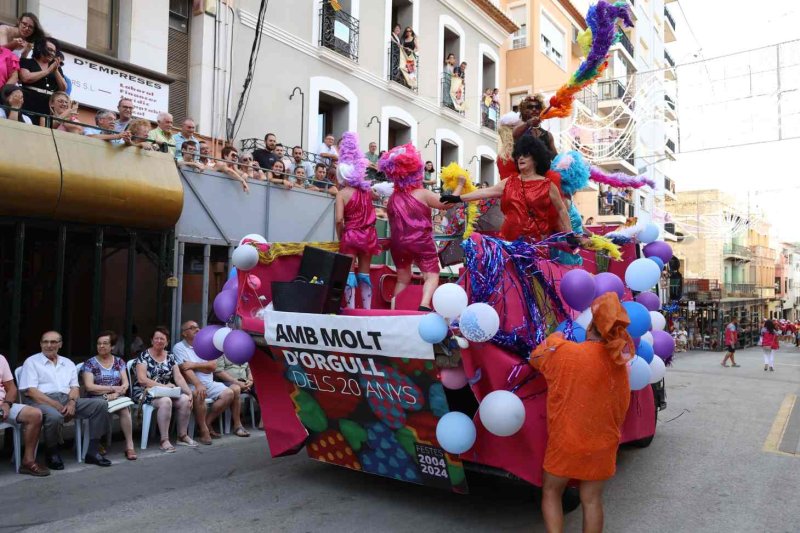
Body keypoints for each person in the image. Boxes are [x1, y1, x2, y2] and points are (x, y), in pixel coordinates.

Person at [530, 292, 634, 533]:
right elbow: (622, 407)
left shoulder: (563, 352)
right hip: (602, 445)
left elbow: (535, 358)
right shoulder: (620, 364)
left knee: (551, 491)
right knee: (592, 500)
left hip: (566, 442)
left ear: (589, 326)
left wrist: (555, 337)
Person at [441, 135, 572, 243]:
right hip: (509, 242)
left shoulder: (548, 185)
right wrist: (457, 198)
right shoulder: (509, 182)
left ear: (536, 158)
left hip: (535, 244)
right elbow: (484, 192)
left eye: (525, 155)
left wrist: (570, 234)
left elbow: (561, 210)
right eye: (519, 155)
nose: (520, 158)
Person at [378, 143, 456, 310]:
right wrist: (461, 185)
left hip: (398, 244)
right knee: (431, 274)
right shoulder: (423, 193)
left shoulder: (392, 199)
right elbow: (447, 204)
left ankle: (394, 309)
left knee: (402, 279)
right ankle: (424, 304)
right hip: (421, 242)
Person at [19, 330, 112, 468]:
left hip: (66, 399)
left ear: (60, 344)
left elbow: (75, 387)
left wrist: (72, 402)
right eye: (45, 342)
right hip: (39, 401)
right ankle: (52, 453)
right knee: (54, 416)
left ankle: (92, 451)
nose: (49, 345)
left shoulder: (68, 363)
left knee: (100, 405)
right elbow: (31, 391)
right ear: (40, 344)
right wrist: (55, 404)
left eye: (53, 342)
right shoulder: (32, 362)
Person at [335, 132, 381, 309]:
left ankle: (352, 309)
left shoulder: (341, 194)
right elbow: (377, 196)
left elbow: (339, 219)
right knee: (365, 273)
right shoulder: (366, 191)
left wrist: (341, 235)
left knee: (349, 273)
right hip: (368, 235)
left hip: (350, 235)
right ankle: (367, 309)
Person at [132, 327, 196, 452]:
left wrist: (189, 392)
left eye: (162, 339)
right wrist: (165, 386)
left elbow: (178, 377)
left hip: (166, 392)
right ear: (152, 340)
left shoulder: (170, 356)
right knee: (165, 401)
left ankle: (182, 436)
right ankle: (164, 440)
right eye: (156, 338)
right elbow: (142, 380)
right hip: (145, 391)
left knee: (185, 399)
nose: (159, 341)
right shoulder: (144, 356)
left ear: (167, 342)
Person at [174, 320, 238, 443]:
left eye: (198, 327)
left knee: (229, 393)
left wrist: (193, 365)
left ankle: (207, 422)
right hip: (191, 385)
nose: (197, 329)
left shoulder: (206, 344)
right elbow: (186, 370)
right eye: (192, 328)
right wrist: (198, 383)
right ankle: (204, 430)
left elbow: (213, 366)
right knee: (199, 394)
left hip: (209, 383)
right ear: (184, 333)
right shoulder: (179, 347)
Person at [81, 331, 137, 460]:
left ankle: (130, 446)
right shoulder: (90, 363)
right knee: (102, 406)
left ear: (112, 346)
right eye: (99, 343)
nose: (101, 346)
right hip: (95, 398)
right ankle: (98, 442)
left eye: (105, 343)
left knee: (124, 409)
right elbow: (89, 387)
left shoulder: (119, 362)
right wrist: (111, 390)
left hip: (116, 396)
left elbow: (125, 384)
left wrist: (116, 393)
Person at [0, 353, 48, 476]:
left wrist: (6, 404)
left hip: (3, 404)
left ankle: (28, 461)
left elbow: (11, 388)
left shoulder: (1, 359)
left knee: (35, 414)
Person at [19, 37, 66, 125]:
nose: (52, 53)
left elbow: (63, 88)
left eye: (54, 51)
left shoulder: (56, 68)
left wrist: (55, 71)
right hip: (29, 103)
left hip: (48, 107)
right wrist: (48, 71)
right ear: (40, 48)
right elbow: (25, 78)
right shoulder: (26, 62)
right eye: (49, 50)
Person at [215, 355, 260, 430]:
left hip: (245, 381)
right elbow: (219, 372)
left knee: (261, 388)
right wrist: (236, 382)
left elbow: (249, 368)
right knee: (236, 388)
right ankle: (238, 425)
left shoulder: (244, 351)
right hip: (228, 382)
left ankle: (264, 420)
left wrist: (250, 380)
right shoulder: (221, 352)